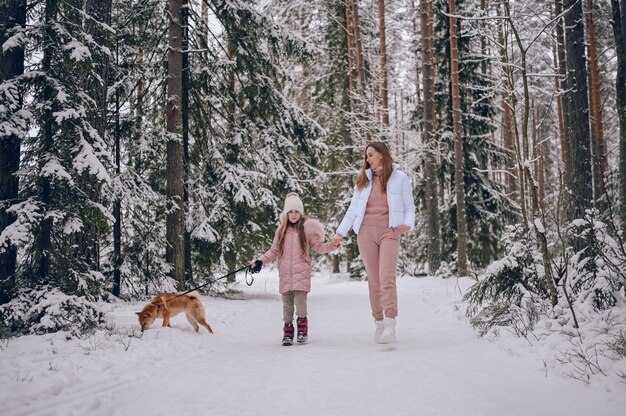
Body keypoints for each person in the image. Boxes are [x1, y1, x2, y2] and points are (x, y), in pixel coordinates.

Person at [330, 142, 415, 344]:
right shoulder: (363, 181)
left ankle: (390, 323)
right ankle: (378, 323)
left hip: (390, 231)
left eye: (370, 154)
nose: (367, 159)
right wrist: (340, 233)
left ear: (382, 155)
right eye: (366, 156)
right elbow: (352, 211)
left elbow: (410, 207)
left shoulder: (400, 179)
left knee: (387, 278)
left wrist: (407, 225)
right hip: (365, 234)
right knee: (374, 281)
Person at [250, 192, 339, 346]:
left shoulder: (307, 229)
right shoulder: (281, 231)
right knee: (287, 305)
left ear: (301, 213)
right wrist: (259, 261)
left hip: (301, 273)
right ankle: (288, 332)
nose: (293, 215)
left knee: (300, 303)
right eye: (290, 212)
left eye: (296, 211)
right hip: (285, 274)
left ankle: (303, 329)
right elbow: (274, 251)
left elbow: (318, 247)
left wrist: (332, 245)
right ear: (286, 213)